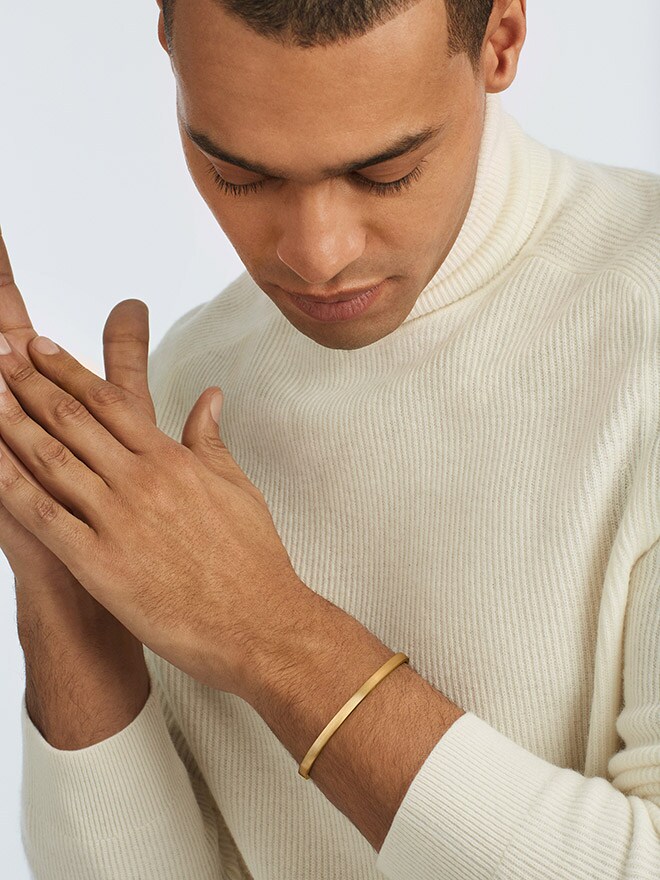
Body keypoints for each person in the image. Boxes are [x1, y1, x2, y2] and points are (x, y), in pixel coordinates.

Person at [3, 0, 657, 877]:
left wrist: (269, 633)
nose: (317, 255)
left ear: (500, 38)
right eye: (239, 175)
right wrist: (65, 594)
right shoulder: (180, 397)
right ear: (168, 44)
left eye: (386, 173)